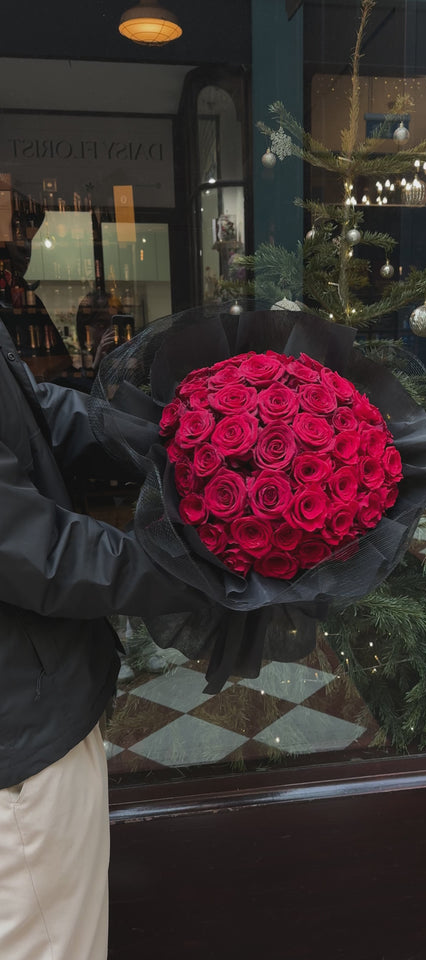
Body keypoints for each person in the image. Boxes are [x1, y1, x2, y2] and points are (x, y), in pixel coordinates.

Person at [0, 317, 200, 960]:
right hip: (21, 752)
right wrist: (194, 570)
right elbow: (32, 551)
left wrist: (166, 433)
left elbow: (26, 408)